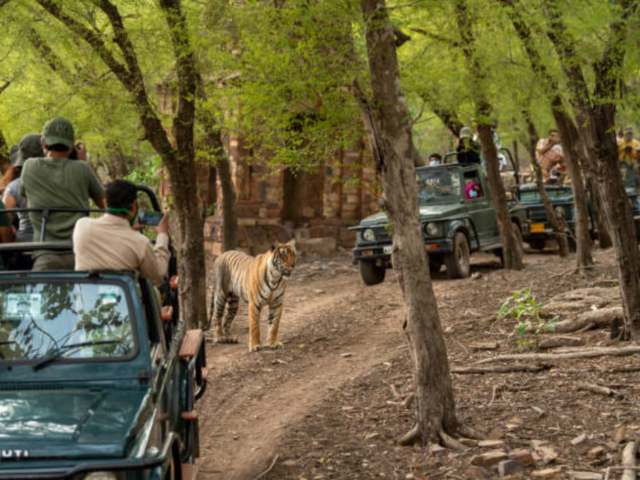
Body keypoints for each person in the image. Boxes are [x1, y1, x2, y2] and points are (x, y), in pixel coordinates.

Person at [20, 117, 106, 271]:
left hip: (45, 255)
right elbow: (105, 204)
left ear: (43, 143)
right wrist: (83, 163)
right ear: (72, 146)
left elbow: (27, 203)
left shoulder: (29, 167)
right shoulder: (82, 169)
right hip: (80, 254)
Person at [73, 180, 170, 285]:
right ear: (133, 206)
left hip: (87, 297)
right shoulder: (140, 243)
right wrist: (162, 234)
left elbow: (111, 236)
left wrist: (129, 229)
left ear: (105, 203)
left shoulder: (82, 226)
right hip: (122, 299)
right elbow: (158, 274)